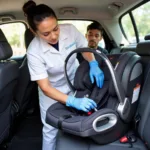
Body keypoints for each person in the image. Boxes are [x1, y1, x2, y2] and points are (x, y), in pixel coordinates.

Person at [23, 1, 104, 150]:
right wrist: (71, 101)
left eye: (56, 29)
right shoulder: (34, 51)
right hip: (51, 91)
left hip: (75, 82)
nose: (54, 36)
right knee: (50, 129)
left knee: (78, 121)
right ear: (35, 32)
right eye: (46, 33)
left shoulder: (70, 30)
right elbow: (45, 87)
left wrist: (93, 64)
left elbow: (84, 49)